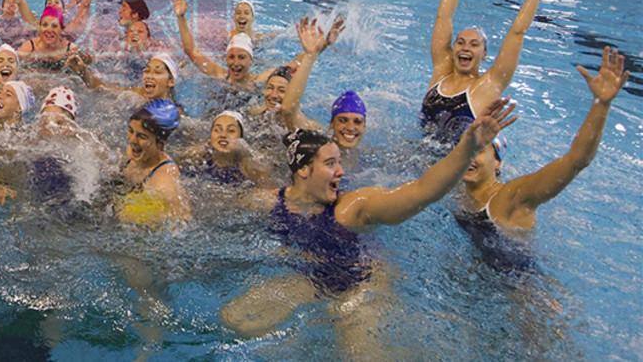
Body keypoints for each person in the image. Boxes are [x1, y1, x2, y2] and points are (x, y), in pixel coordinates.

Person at [220, 99, 517, 346]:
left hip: (362, 284)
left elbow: (422, 192)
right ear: (303, 171)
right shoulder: (269, 202)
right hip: (313, 280)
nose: (340, 172)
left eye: (339, 162)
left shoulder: (352, 208)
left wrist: (466, 148)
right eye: (330, 163)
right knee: (235, 320)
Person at [456, 47, 626, 268]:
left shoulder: (511, 197)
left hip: (522, 295)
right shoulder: (457, 191)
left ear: (497, 162)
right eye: (466, 150)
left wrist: (601, 105)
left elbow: (576, 161)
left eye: (478, 151)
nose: (469, 157)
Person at [422, 0, 576, 145]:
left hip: (459, 171)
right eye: (460, 42)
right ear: (453, 48)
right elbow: (444, 17)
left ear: (484, 55)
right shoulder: (441, 71)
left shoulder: (488, 85)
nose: (466, 47)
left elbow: (517, 33)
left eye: (474, 44)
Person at [279, 17, 366, 156]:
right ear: (331, 124)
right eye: (342, 120)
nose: (350, 128)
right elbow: (288, 110)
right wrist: (310, 56)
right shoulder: (319, 142)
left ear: (364, 127)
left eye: (357, 122)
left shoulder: (367, 155)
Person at [173, 0, 282, 94]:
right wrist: (181, 17)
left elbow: (292, 67)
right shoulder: (220, 75)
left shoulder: (259, 80)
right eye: (231, 57)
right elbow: (190, 50)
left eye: (241, 57)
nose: (235, 63)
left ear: (251, 61)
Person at [115, 99, 189, 225]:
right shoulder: (135, 151)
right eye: (131, 131)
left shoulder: (164, 184)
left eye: (142, 136)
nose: (132, 140)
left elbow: (182, 221)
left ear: (160, 144)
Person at [178, 110, 267, 187]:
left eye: (231, 131)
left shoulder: (248, 167)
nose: (223, 135)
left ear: (241, 138)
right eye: (217, 130)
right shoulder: (198, 159)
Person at [70, 51, 180, 103]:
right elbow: (101, 88)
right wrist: (83, 71)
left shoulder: (176, 113)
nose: (149, 76)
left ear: (170, 81)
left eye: (157, 72)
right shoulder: (138, 95)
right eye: (147, 71)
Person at [18, 5, 82, 68]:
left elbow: (85, 64)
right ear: (40, 27)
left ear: (61, 29)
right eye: (45, 25)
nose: (49, 30)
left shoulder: (70, 49)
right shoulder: (29, 48)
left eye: (54, 26)